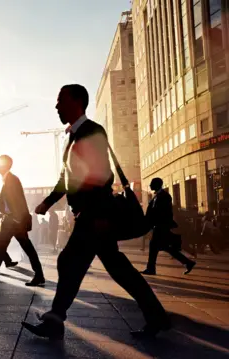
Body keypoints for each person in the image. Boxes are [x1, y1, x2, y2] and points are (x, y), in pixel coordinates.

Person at [23, 84, 169, 340]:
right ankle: (157, 317)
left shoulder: (92, 131)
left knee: (69, 262)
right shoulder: (73, 136)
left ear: (77, 102)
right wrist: (47, 202)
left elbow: (102, 175)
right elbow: (65, 179)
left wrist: (99, 215)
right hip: (90, 215)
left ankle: (55, 321)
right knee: (115, 268)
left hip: (94, 215)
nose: (56, 106)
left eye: (61, 100)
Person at [0, 155, 44, 287]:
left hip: (14, 222)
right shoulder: (8, 180)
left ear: (4, 166)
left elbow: (18, 201)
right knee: (3, 248)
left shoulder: (12, 180)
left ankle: (39, 275)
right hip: (11, 222)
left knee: (24, 248)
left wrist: (16, 219)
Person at [141, 178, 196, 276]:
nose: (150, 185)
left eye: (152, 184)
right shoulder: (156, 197)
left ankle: (151, 269)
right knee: (165, 247)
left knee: (154, 246)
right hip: (158, 226)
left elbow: (163, 212)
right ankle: (188, 263)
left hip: (162, 226)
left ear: (157, 185)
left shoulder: (165, 196)